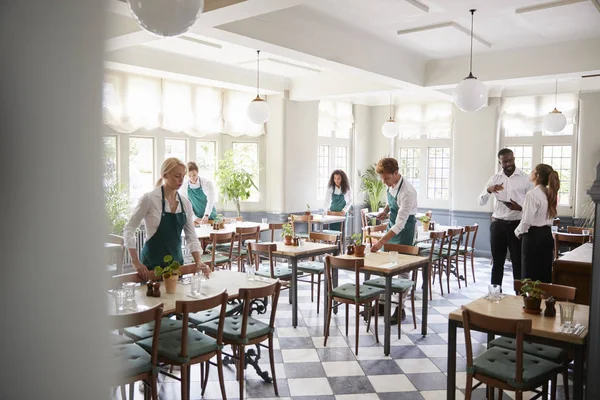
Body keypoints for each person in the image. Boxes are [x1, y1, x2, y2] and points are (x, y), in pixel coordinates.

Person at [124, 158, 209, 281]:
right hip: (151, 266)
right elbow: (129, 229)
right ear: (164, 175)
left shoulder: (185, 203)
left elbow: (191, 236)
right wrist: (135, 261)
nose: (181, 180)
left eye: (183, 176)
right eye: (177, 176)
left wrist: (199, 262)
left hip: (176, 265)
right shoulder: (149, 199)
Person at [478, 148, 533, 287]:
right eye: (505, 161)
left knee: (518, 263)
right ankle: (495, 293)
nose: (509, 163)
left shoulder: (525, 178)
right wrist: (488, 190)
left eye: (511, 160)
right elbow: (480, 201)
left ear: (514, 158)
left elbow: (532, 205)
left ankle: (519, 296)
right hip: (498, 224)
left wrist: (519, 207)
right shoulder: (495, 178)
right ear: (500, 162)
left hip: (517, 224)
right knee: (497, 262)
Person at [372, 158, 418, 321]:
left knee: (402, 272)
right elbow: (390, 203)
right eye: (382, 179)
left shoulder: (408, 192)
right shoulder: (390, 185)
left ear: (396, 173)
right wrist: (385, 211)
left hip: (405, 231)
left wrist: (380, 242)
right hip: (392, 227)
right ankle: (382, 305)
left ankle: (400, 309)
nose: (384, 182)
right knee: (386, 268)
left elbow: (400, 224)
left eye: (387, 178)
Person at [514, 164, 560, 283]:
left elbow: (527, 220)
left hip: (533, 236)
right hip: (546, 236)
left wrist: (517, 232)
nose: (530, 172)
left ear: (537, 176)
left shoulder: (532, 194)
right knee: (544, 273)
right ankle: (545, 300)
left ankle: (529, 301)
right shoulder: (550, 193)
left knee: (529, 275)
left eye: (533, 170)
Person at [180, 161, 217, 225]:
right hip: (196, 219)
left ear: (198, 172)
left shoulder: (207, 183)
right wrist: (194, 217)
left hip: (210, 216)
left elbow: (211, 201)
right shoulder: (184, 186)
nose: (192, 178)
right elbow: (186, 205)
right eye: (189, 176)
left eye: (194, 175)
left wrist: (206, 215)